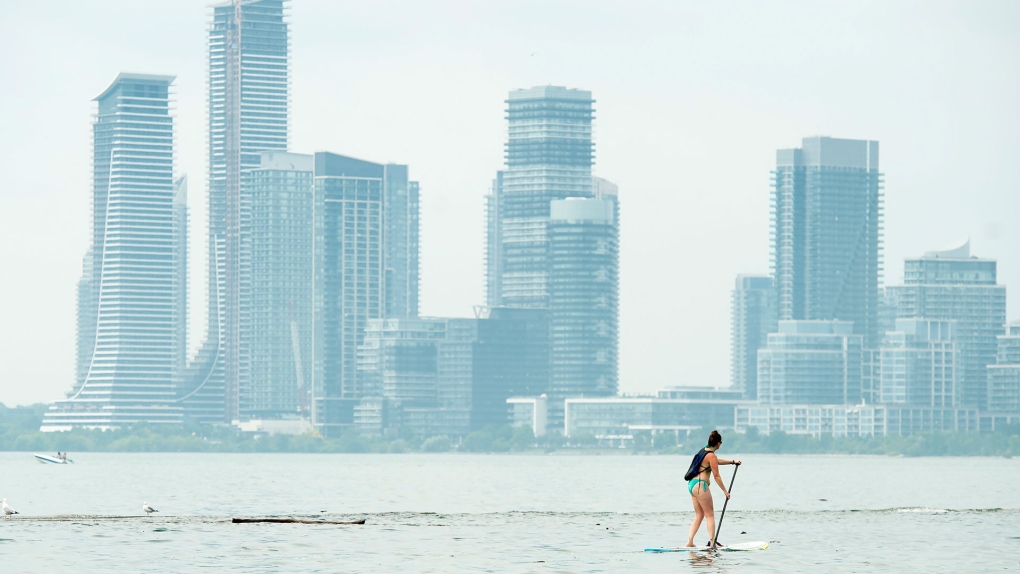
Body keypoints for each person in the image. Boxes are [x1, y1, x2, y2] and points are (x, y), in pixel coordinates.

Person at [685, 430, 741, 548]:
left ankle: (689, 542)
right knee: (709, 515)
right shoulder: (711, 455)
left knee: (699, 515)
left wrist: (732, 462)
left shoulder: (704, 451)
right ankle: (712, 543)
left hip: (692, 485)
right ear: (718, 443)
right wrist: (725, 491)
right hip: (701, 486)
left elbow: (716, 461)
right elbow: (716, 476)